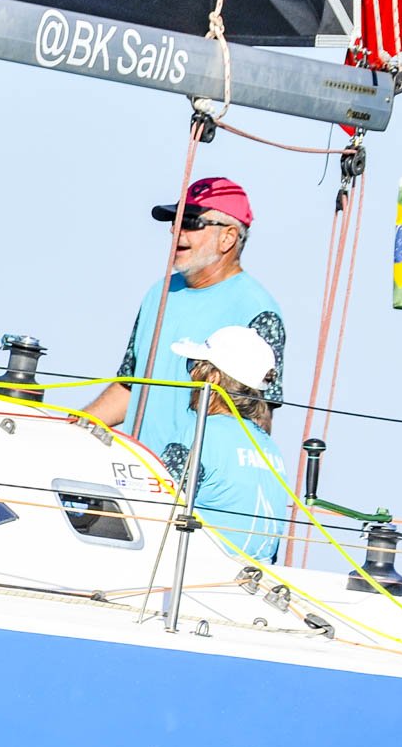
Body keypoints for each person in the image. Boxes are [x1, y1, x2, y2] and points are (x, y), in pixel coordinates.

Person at [81, 176, 284, 480]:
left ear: (228, 238)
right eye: (175, 222)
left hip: (191, 489)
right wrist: (75, 424)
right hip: (133, 475)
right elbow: (131, 385)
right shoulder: (159, 293)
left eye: (190, 222)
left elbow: (257, 416)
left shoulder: (257, 308)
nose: (176, 231)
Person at [169, 327, 286, 562]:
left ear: (213, 378)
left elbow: (157, 510)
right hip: (260, 576)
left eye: (193, 365)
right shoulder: (271, 448)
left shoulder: (199, 435)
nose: (191, 375)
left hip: (203, 571)